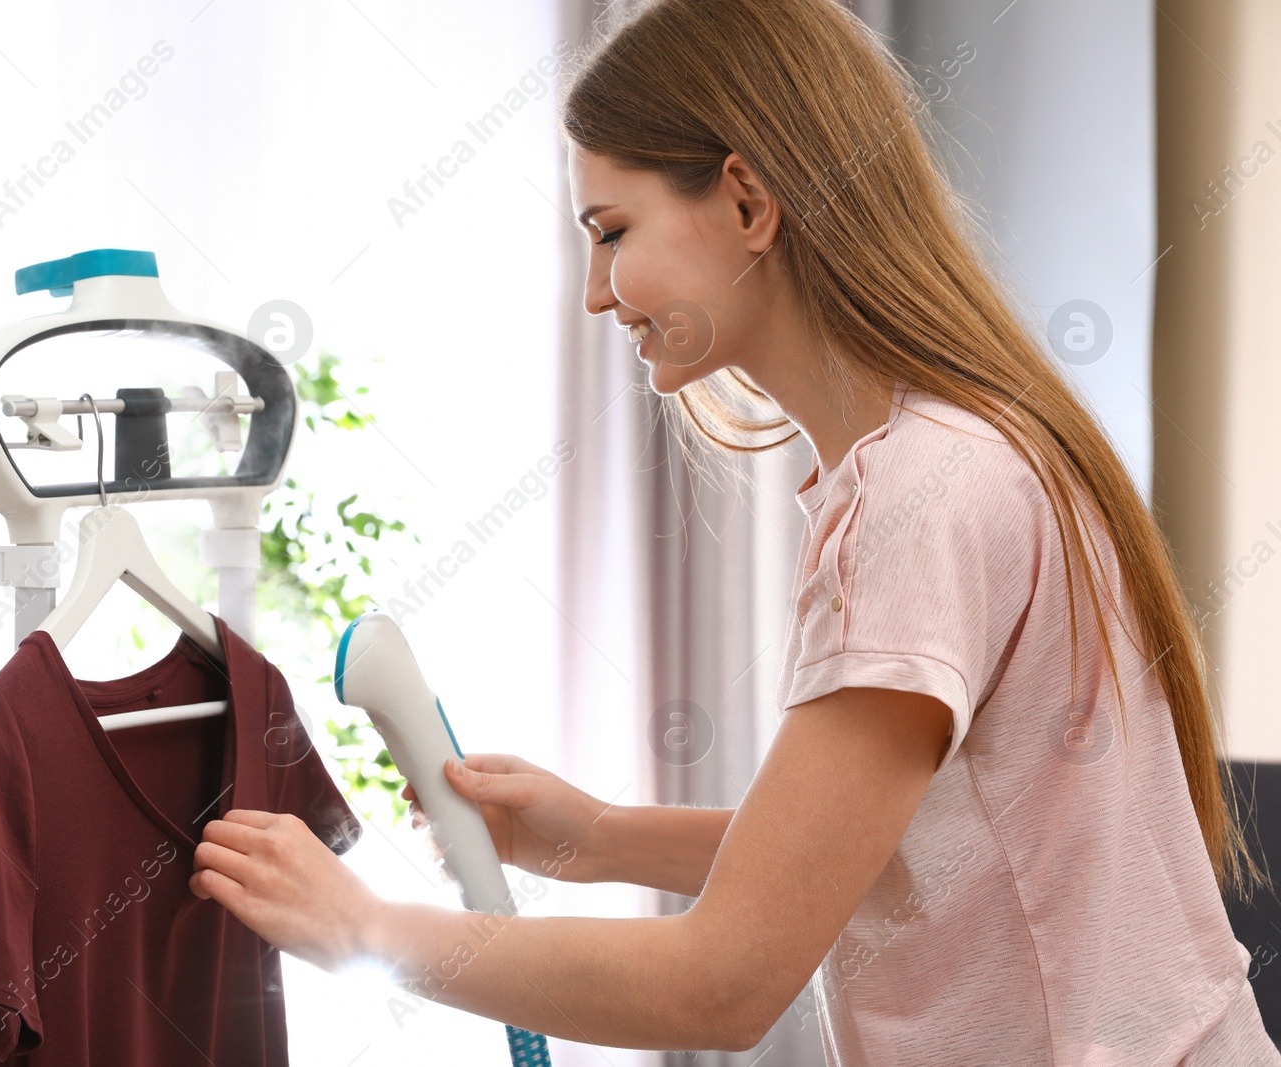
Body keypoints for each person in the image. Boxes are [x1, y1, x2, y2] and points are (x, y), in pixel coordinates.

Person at [188, 0, 1280, 1060]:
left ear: (749, 203)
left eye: (612, 232)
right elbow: (914, 851)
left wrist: (363, 928)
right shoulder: (965, 453)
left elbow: (723, 982)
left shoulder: (920, 499)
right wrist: (600, 835)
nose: (596, 294)